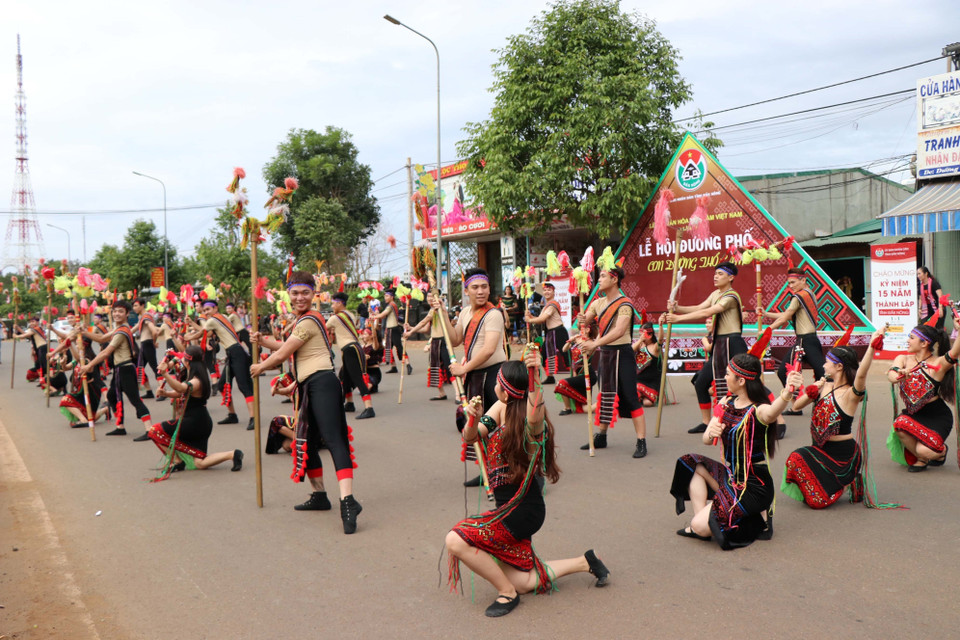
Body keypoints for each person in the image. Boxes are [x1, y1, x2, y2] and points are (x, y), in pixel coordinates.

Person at [445, 354, 610, 618]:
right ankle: (585, 561)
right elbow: (471, 437)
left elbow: (536, 413)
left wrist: (535, 379)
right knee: (524, 582)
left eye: (498, 382)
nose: (495, 387)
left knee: (455, 539)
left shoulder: (531, 423)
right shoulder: (499, 407)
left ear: (506, 390)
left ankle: (506, 594)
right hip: (508, 509)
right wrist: (472, 419)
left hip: (523, 510)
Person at [250, 271, 361, 534]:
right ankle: (320, 496)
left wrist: (260, 366)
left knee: (334, 441)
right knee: (306, 444)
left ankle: (348, 501)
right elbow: (289, 347)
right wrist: (264, 342)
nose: (300, 297)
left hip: (323, 384)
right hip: (309, 385)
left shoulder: (310, 319)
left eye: (305, 293)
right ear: (289, 295)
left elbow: (283, 354)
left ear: (314, 294)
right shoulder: (302, 320)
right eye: (295, 293)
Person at [670, 353, 797, 549]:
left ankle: (711, 522)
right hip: (732, 477)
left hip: (754, 485)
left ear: (741, 380)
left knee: (698, 525)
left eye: (728, 374)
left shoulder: (759, 410)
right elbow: (706, 439)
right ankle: (712, 518)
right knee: (690, 463)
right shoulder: (726, 402)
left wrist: (787, 393)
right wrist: (710, 433)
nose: (724, 378)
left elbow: (773, 412)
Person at [781, 327, 882, 507]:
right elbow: (795, 406)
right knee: (795, 460)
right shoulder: (824, 386)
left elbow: (861, 374)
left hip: (844, 455)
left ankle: (848, 480)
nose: (823, 365)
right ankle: (840, 484)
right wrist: (813, 390)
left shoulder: (851, 394)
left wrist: (872, 347)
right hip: (820, 449)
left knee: (817, 502)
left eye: (827, 362)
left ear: (839, 366)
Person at [431, 268, 508, 487]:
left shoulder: (493, 314)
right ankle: (487, 470)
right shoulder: (465, 313)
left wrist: (464, 369)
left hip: (494, 376)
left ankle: (515, 473)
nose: (480, 291)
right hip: (475, 376)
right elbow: (455, 339)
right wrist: (443, 313)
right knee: (478, 424)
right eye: (475, 287)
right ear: (467, 291)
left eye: (484, 287)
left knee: (501, 425)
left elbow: (489, 349)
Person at [664, 262, 747, 435]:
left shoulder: (731, 297)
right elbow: (700, 307)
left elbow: (708, 312)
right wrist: (677, 308)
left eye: (720, 274)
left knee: (747, 384)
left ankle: (773, 418)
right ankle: (706, 421)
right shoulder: (715, 293)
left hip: (733, 343)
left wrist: (678, 319)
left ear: (731, 277)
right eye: (715, 273)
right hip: (719, 344)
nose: (715, 276)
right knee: (701, 382)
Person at [578, 266, 647, 458]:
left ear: (614, 279)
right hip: (606, 354)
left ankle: (641, 441)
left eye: (602, 276)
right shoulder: (597, 303)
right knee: (605, 395)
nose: (598, 280)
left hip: (622, 353)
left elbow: (618, 331)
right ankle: (602, 436)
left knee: (631, 397)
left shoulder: (625, 304)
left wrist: (594, 344)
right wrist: (581, 320)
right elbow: (582, 323)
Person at [148, 345, 243, 476]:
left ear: (188, 362)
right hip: (200, 422)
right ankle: (233, 454)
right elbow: (182, 392)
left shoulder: (196, 380)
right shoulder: (195, 374)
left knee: (154, 431)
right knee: (200, 463)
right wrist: (166, 393)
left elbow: (182, 389)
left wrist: (165, 374)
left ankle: (177, 461)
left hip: (195, 423)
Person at [887, 320, 960, 471]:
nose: (908, 340)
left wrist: (959, 330)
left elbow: (954, 353)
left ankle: (940, 453)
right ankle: (921, 459)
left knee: (924, 450)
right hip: (914, 415)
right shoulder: (903, 359)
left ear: (924, 343)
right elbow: (892, 376)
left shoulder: (937, 364)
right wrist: (900, 376)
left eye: (912, 338)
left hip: (937, 417)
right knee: (900, 425)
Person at [81, 300, 153, 439]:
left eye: (121, 311)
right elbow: (101, 338)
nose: (117, 314)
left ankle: (150, 430)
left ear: (127, 314)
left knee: (135, 400)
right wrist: (84, 332)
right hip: (120, 370)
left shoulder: (121, 331)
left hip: (125, 369)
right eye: (115, 311)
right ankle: (120, 426)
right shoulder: (119, 328)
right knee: (111, 396)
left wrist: (89, 366)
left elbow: (105, 352)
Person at [760, 268, 825, 416]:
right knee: (789, 372)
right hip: (806, 340)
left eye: (793, 282)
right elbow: (788, 316)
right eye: (789, 283)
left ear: (803, 280)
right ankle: (798, 405)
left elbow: (785, 317)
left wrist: (767, 330)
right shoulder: (810, 294)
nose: (791, 286)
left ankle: (820, 402)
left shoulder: (799, 297)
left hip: (805, 341)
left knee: (822, 373)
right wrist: (766, 314)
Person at [183, 300, 255, 430]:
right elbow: (209, 333)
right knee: (222, 385)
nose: (206, 312)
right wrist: (192, 323)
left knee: (244, 386)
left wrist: (188, 337)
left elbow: (202, 333)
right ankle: (232, 415)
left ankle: (253, 417)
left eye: (208, 310)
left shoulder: (212, 320)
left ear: (215, 308)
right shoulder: (221, 317)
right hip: (233, 353)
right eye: (204, 311)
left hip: (236, 352)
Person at [327, 292, 375, 419]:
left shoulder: (334, 318)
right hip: (355, 347)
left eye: (333, 303)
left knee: (357, 378)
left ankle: (369, 407)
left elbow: (322, 329)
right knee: (345, 376)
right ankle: (349, 403)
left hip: (349, 349)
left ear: (339, 303)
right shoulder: (350, 314)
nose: (332, 306)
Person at [404, 301, 450, 400]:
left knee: (449, 367)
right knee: (435, 368)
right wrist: (411, 328)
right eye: (428, 296)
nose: (429, 299)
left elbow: (422, 322)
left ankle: (460, 394)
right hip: (435, 341)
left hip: (442, 340)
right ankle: (442, 393)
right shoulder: (432, 310)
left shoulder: (437, 309)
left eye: (431, 297)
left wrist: (410, 332)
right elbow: (426, 329)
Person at [524, 282, 569, 384]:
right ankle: (550, 377)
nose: (547, 292)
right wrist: (530, 316)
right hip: (551, 333)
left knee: (566, 355)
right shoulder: (545, 306)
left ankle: (577, 374)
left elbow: (542, 319)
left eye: (549, 290)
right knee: (545, 354)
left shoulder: (552, 305)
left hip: (558, 332)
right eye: (545, 290)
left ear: (553, 292)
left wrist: (529, 320)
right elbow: (540, 319)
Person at [370, 289, 409, 375]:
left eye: (387, 296)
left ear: (392, 297)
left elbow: (383, 315)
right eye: (385, 296)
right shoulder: (392, 305)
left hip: (393, 329)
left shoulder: (391, 305)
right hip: (390, 329)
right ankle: (393, 366)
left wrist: (374, 316)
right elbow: (382, 315)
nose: (385, 297)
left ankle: (408, 364)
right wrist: (373, 313)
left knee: (399, 348)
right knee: (388, 349)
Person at [132, 298, 160, 399]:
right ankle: (149, 391)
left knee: (155, 368)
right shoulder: (142, 317)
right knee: (139, 369)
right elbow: (134, 329)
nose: (134, 308)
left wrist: (153, 341)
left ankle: (162, 390)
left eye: (136, 305)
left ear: (142, 305)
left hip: (147, 344)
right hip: (144, 345)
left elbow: (154, 331)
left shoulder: (146, 316)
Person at [633, 322, 661, 407]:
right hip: (638, 381)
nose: (641, 337)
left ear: (650, 335)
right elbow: (631, 351)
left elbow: (660, 339)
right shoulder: (639, 345)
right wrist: (640, 340)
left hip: (652, 382)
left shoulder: (655, 347)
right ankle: (639, 396)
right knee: (635, 392)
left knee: (647, 403)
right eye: (640, 335)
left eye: (643, 335)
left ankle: (643, 397)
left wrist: (661, 325)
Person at [13, 317, 48, 386]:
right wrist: (18, 328)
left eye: (33, 321)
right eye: (31, 322)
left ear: (37, 322)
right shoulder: (33, 330)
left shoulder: (37, 329)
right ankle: (42, 380)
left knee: (44, 365)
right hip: (39, 348)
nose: (31, 323)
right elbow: (27, 335)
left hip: (42, 348)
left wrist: (16, 336)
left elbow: (25, 335)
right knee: (38, 365)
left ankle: (47, 380)